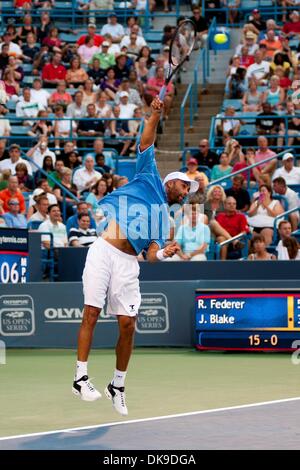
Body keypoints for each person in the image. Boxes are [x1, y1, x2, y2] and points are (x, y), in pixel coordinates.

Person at [73, 96, 198, 415]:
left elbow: (152, 255)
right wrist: (154, 115)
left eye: (189, 193)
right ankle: (81, 377)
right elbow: (146, 140)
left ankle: (118, 384)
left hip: (128, 264)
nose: (186, 194)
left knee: (128, 325)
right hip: (103, 251)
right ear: (173, 183)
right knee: (91, 312)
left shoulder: (165, 221)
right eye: (185, 188)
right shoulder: (149, 177)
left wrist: (167, 253)